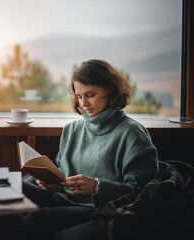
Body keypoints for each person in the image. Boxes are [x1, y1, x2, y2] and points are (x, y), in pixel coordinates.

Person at [21, 59, 159, 240]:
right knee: (13, 185)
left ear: (110, 89)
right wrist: (54, 183)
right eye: (79, 96)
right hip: (63, 198)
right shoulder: (71, 130)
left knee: (34, 219)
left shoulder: (132, 134)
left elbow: (141, 191)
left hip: (97, 208)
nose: (83, 103)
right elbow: (63, 170)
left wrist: (97, 186)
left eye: (90, 95)